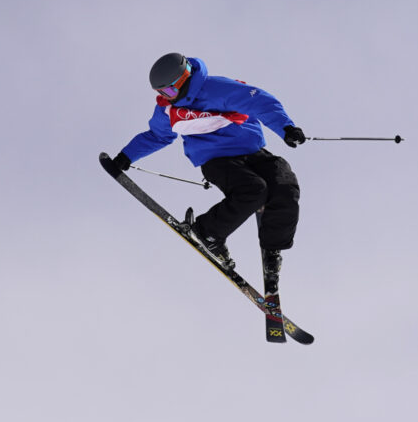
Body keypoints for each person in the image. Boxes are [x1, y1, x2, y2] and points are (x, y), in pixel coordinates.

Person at [113, 53, 306, 292]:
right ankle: (207, 233)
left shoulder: (215, 88)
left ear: (184, 78)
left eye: (170, 92)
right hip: (216, 159)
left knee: (285, 185)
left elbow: (258, 101)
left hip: (253, 151)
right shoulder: (167, 110)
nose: (167, 98)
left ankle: (272, 249)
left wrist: (286, 127)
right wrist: (127, 155)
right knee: (253, 190)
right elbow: (157, 136)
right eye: (162, 94)